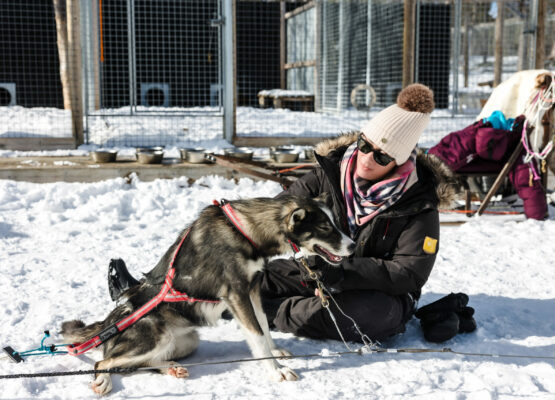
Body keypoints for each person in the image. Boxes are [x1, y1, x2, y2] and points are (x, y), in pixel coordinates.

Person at [108, 83, 457, 343]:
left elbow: (408, 273)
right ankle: (150, 294)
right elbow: (280, 213)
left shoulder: (418, 204)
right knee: (242, 276)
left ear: (400, 161)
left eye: (381, 156)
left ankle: (262, 313)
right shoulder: (330, 173)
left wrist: (341, 273)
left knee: (372, 317)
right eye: (365, 145)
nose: (366, 158)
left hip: (373, 291)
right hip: (312, 270)